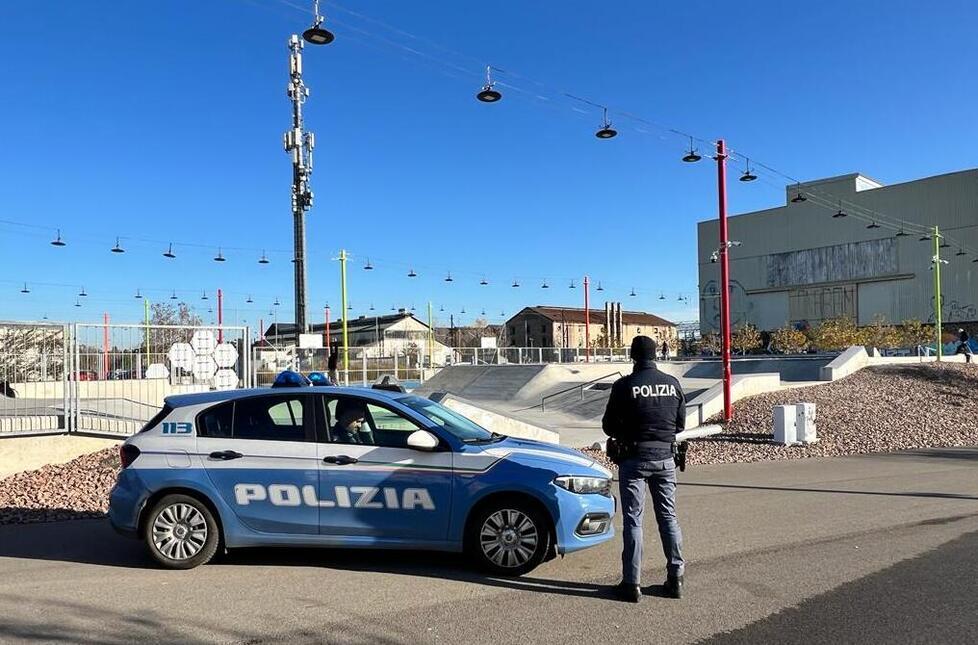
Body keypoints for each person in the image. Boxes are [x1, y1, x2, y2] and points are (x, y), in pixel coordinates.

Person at [603, 335, 686, 603]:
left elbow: (608, 426)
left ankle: (632, 584)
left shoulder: (624, 385)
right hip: (665, 458)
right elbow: (680, 425)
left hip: (634, 459)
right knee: (668, 518)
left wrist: (626, 431)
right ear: (655, 355)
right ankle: (676, 579)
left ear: (632, 356)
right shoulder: (672, 385)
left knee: (633, 520)